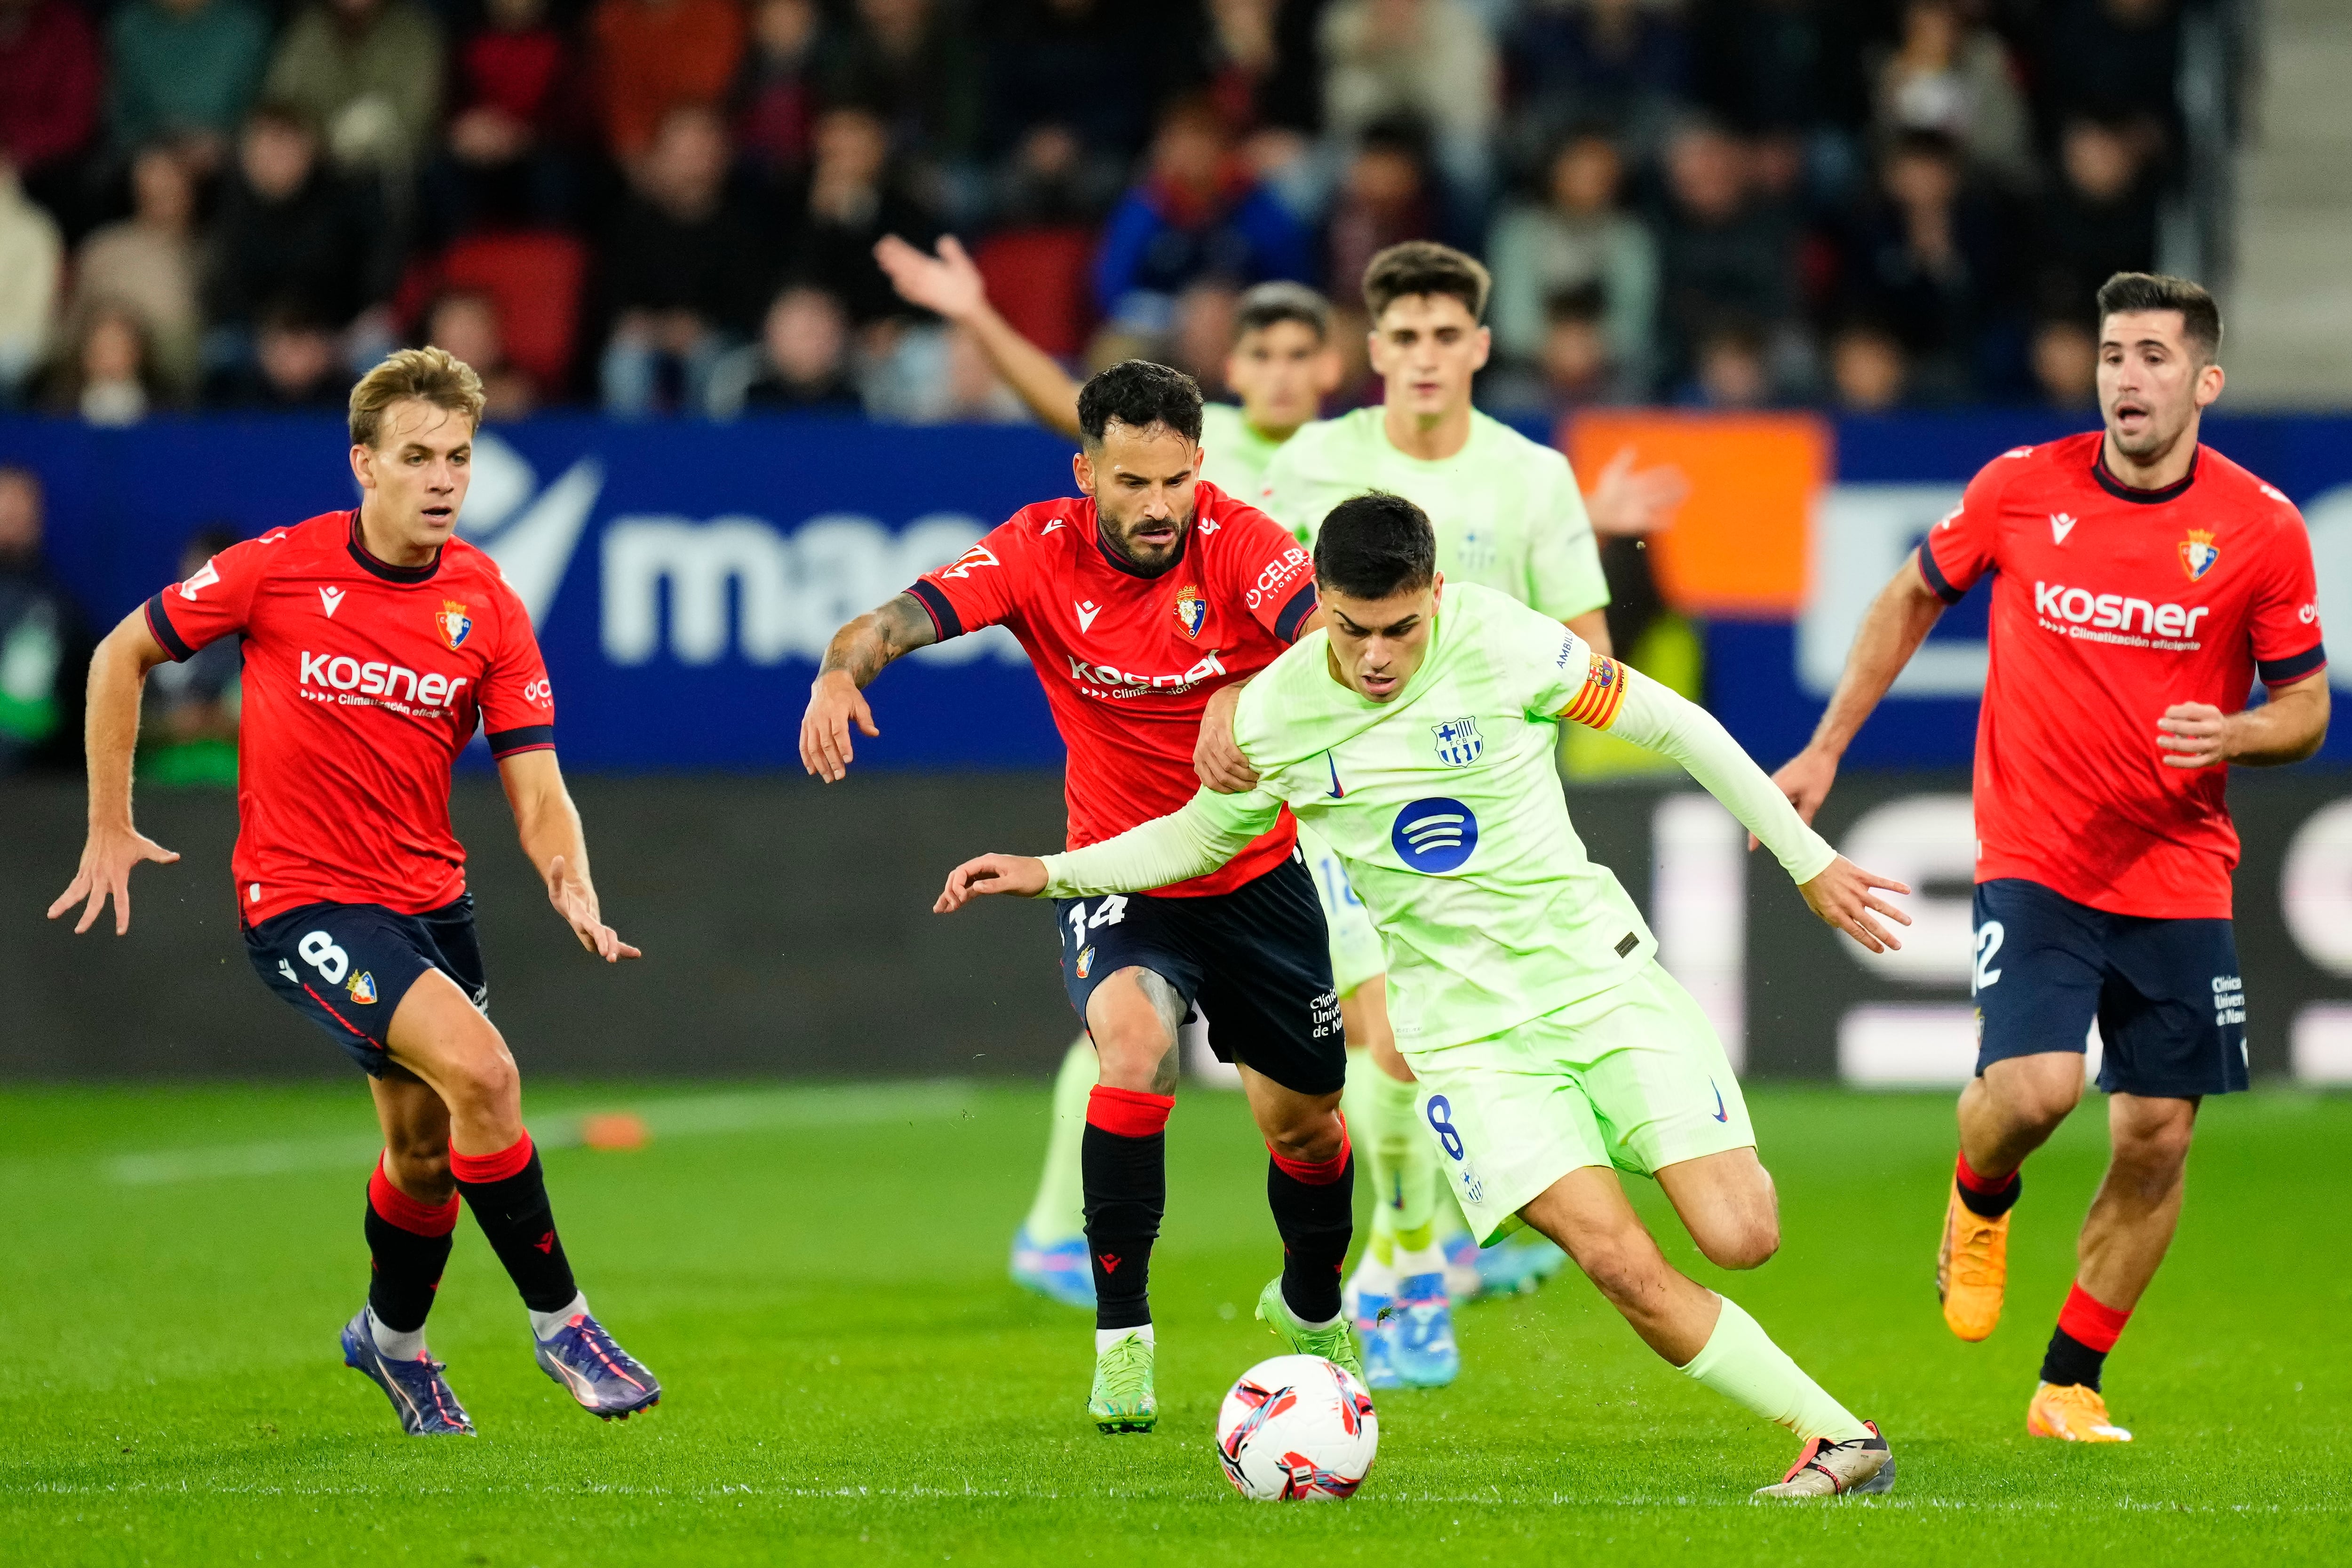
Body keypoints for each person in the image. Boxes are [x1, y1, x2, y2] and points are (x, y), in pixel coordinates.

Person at [933, 491, 1913, 1499]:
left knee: (1741, 1233)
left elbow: (1676, 724)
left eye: (1400, 628)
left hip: (1595, 981)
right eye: (1352, 630)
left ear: (1435, 595)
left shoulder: (1503, 643)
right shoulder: (1276, 708)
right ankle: (1839, 1438)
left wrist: (1807, 863)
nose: (1375, 657)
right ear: (1319, 601)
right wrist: (1053, 869)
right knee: (1616, 1262)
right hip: (1468, 1040)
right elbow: (1200, 838)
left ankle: (1623, 1125)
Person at [46, 348, 662, 1435]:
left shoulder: (490, 606)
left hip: (430, 903)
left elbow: (537, 783)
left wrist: (570, 877)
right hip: (303, 904)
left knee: (425, 1153)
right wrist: (109, 818)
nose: (442, 479)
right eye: (417, 456)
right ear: (363, 465)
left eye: (460, 458)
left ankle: (388, 1342)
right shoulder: (274, 569)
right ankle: (564, 1324)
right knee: (487, 1071)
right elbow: (118, 655)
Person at [1771, 272, 2330, 1443]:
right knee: (2035, 1090)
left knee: (2158, 1134)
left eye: (2153, 358)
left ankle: (2069, 1381)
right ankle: (1980, 1196)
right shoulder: (2021, 487)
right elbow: (1909, 598)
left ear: (2203, 381)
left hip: (2179, 866)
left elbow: (2306, 712)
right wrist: (1825, 748)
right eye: (2113, 354)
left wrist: (2235, 732)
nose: (2127, 376)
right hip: (2037, 848)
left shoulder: (2262, 528)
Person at [798, 360, 1359, 1433]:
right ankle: (1122, 1344)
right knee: (1130, 1047)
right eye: (1131, 482)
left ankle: (1313, 1303)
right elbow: (891, 621)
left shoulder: (1240, 540)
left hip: (1252, 869)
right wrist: (839, 674)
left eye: (1175, 482)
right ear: (1085, 470)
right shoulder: (1033, 551)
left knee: (1307, 1135)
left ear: (1200, 468)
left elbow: (1323, 642)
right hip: (1120, 872)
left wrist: (1242, 693)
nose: (1157, 506)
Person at [0, 464, 89, 773]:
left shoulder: (60, 610)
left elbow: (76, 707)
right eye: (4, 506)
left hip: (35, 783)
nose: (11, 517)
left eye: (21, 507)